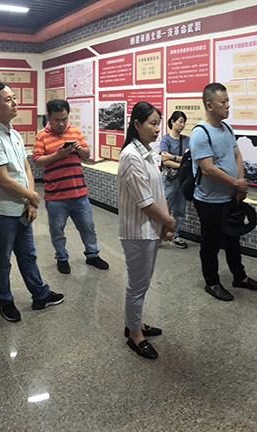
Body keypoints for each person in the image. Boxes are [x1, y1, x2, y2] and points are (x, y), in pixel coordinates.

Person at [0, 82, 64, 323]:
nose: (15, 103)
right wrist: (33, 196)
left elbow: (26, 168)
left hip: (22, 207)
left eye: (14, 97)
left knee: (28, 255)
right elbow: (3, 180)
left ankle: (40, 294)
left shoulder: (14, 134)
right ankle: (4, 301)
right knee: (2, 259)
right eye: (8, 100)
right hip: (3, 210)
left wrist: (30, 200)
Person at [190, 83, 257, 301]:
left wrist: (239, 183)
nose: (227, 106)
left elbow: (237, 155)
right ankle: (212, 282)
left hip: (229, 197)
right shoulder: (200, 133)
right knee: (211, 243)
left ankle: (239, 277)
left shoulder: (227, 128)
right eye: (223, 102)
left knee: (233, 240)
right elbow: (208, 170)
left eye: (228, 101)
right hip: (209, 201)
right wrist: (236, 184)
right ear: (209, 105)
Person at [118, 102, 174, 359]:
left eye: (158, 123)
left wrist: (164, 223)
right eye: (152, 123)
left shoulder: (148, 152)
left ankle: (136, 322)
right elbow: (145, 202)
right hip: (138, 232)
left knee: (142, 283)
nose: (157, 129)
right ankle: (134, 334)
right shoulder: (131, 156)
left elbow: (158, 191)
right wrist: (169, 222)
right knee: (137, 285)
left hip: (150, 229)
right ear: (137, 125)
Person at [33, 99, 110, 274]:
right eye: (57, 120)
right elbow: (37, 161)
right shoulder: (41, 136)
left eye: (64, 119)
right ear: (48, 117)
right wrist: (58, 155)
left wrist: (79, 148)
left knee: (88, 227)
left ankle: (92, 255)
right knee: (57, 231)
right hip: (55, 196)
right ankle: (62, 257)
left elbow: (86, 154)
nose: (61, 124)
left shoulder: (75, 131)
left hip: (79, 193)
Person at [159, 110, 189, 249]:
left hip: (183, 181)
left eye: (184, 122)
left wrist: (173, 157)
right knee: (165, 208)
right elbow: (165, 161)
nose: (182, 125)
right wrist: (182, 163)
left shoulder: (187, 140)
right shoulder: (166, 139)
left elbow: (189, 159)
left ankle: (175, 235)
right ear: (172, 121)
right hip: (169, 180)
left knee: (180, 210)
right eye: (180, 121)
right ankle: (158, 235)